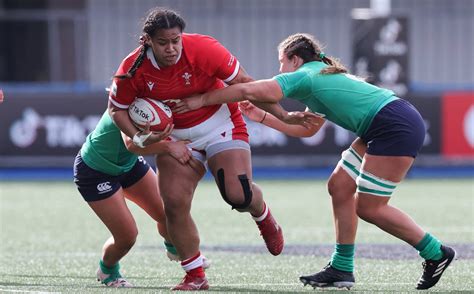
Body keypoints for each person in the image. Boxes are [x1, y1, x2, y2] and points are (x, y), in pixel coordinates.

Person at [174, 33, 457, 291]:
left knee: (370, 207)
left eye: (281, 62)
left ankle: (436, 253)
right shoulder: (316, 76)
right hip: (385, 123)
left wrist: (202, 100)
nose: (280, 69)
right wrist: (262, 117)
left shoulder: (305, 75)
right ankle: (342, 268)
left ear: (295, 60)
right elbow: (307, 129)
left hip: (393, 125)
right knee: (339, 185)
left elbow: (251, 89)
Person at [107, 7, 285, 291]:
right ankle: (195, 276)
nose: (171, 48)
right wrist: (148, 141)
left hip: (220, 126)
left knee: (238, 195)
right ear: (148, 41)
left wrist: (284, 116)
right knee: (174, 205)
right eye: (163, 42)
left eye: (176, 40)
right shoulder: (132, 69)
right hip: (174, 138)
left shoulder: (204, 48)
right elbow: (116, 111)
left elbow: (248, 86)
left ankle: (262, 215)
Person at [73, 110, 203, 288]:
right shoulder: (123, 96)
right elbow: (131, 144)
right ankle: (107, 270)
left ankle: (176, 247)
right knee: (127, 236)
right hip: (96, 171)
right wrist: (169, 147)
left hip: (129, 164)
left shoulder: (158, 89)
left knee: (168, 211)